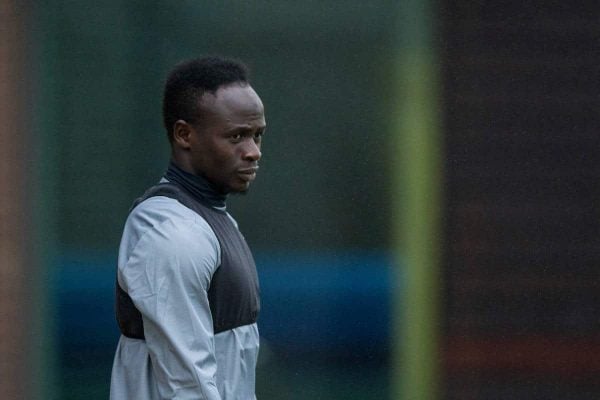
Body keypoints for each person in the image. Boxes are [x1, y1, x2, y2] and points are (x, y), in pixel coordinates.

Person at [110, 56, 265, 400]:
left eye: (257, 135)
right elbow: (186, 387)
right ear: (184, 135)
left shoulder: (210, 219)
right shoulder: (172, 233)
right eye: (237, 136)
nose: (253, 152)